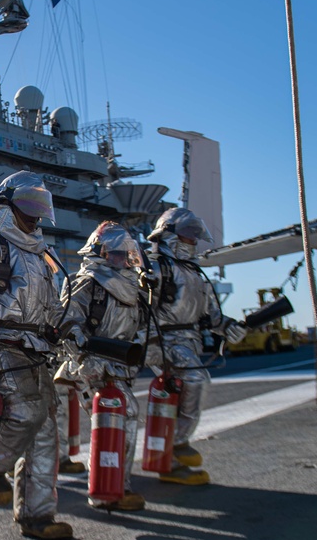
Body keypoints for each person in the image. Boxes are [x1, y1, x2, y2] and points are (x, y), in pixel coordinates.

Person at [0, 170, 82, 540]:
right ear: (5, 205)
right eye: (29, 205)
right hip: (1, 345)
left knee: (45, 436)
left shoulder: (44, 255)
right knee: (27, 412)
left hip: (38, 350)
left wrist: (67, 331)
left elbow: (52, 304)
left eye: (40, 206)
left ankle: (37, 515)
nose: (36, 214)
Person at [141, 207, 247, 485]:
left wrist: (228, 327)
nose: (193, 241)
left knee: (180, 394)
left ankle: (170, 462)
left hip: (189, 341)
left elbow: (211, 315)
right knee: (196, 379)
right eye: (188, 235)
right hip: (162, 340)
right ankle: (177, 442)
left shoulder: (196, 274)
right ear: (168, 235)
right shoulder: (153, 268)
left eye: (194, 236)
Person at [56, 222, 147, 510]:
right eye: (117, 254)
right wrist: (84, 357)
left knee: (124, 413)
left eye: (125, 254)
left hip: (118, 366)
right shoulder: (87, 282)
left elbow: (142, 326)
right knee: (126, 410)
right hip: (90, 365)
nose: (122, 259)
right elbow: (66, 321)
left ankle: (111, 482)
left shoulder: (133, 288)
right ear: (101, 253)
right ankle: (111, 487)